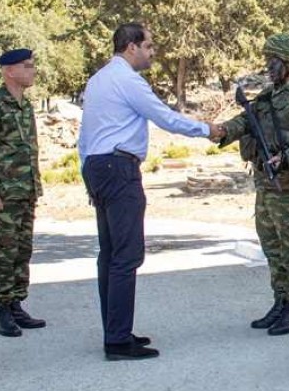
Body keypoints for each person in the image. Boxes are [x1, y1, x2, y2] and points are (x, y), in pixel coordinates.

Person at [78, 23, 223, 360]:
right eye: (149, 46)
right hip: (119, 168)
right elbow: (164, 117)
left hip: (98, 166)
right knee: (126, 256)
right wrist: (206, 129)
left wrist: (88, 174)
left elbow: (85, 135)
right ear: (131, 46)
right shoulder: (128, 81)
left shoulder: (97, 80)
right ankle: (117, 341)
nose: (153, 52)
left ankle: (116, 330)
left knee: (110, 254)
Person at [219, 33, 289, 335]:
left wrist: (286, 159)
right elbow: (246, 120)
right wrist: (220, 131)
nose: (268, 66)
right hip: (267, 183)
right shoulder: (271, 94)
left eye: (273, 60)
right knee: (272, 245)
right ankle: (280, 301)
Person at [0, 48, 45, 337]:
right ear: (9, 71)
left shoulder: (25, 106)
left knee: (22, 249)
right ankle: (1, 310)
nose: (32, 70)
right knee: (3, 251)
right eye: (27, 66)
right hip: (4, 193)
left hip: (25, 190)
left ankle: (16, 303)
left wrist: (35, 186)